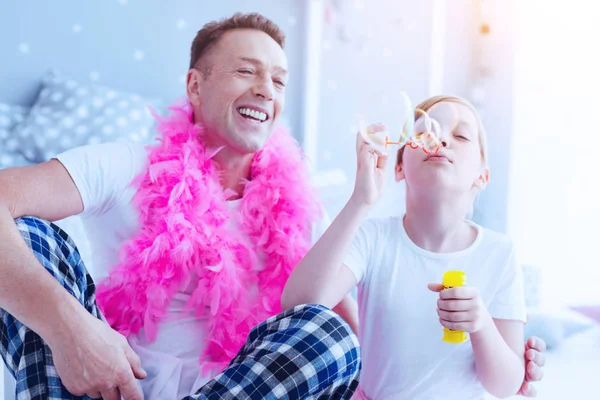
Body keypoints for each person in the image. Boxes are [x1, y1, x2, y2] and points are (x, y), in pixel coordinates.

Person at [0, 13, 361, 400]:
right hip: (109, 386)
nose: (265, 90)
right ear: (195, 85)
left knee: (331, 334)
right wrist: (68, 327)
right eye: (246, 71)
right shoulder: (127, 165)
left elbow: (341, 336)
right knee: (27, 235)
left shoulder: (301, 211)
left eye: (278, 80)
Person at [282, 95, 547, 399]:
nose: (441, 139)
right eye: (424, 133)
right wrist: (361, 199)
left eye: (460, 135)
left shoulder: (500, 254)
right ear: (399, 168)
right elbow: (299, 305)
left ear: (482, 176)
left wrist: (481, 323)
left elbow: (506, 385)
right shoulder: (374, 238)